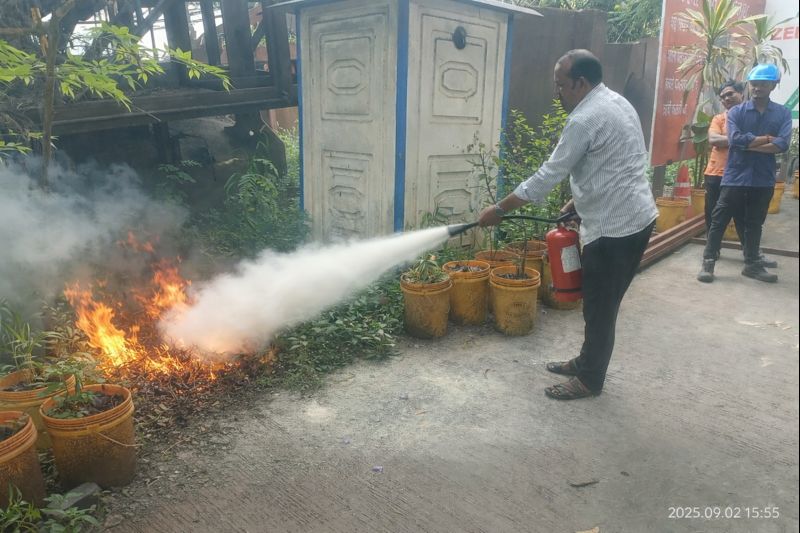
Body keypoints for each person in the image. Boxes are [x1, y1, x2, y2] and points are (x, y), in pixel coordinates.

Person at [477, 49, 657, 400]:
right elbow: (620, 160)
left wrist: (500, 208)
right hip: (637, 218)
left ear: (581, 83)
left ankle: (589, 380)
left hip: (614, 229)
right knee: (600, 303)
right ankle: (587, 361)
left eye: (561, 85)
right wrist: (577, 202)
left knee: (600, 308)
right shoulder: (618, 103)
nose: (556, 92)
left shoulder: (584, 119)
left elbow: (547, 176)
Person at [697, 64, 792, 283]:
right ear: (749, 85)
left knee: (754, 223)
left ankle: (752, 265)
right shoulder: (736, 113)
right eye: (754, 84)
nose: (758, 88)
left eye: (763, 84)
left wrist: (748, 145)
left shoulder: (782, 113)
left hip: (763, 178)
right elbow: (735, 140)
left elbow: (783, 144)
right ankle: (708, 263)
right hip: (735, 176)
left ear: (773, 85)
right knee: (718, 220)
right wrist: (766, 139)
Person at [704, 80, 777, 267]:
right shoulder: (719, 119)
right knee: (714, 217)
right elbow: (713, 139)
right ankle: (712, 253)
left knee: (744, 218)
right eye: (723, 97)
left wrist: (740, 140)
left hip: (742, 175)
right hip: (716, 174)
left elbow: (772, 142)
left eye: (730, 94)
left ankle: (751, 254)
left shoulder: (751, 118)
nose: (726, 99)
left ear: (741, 94)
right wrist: (744, 141)